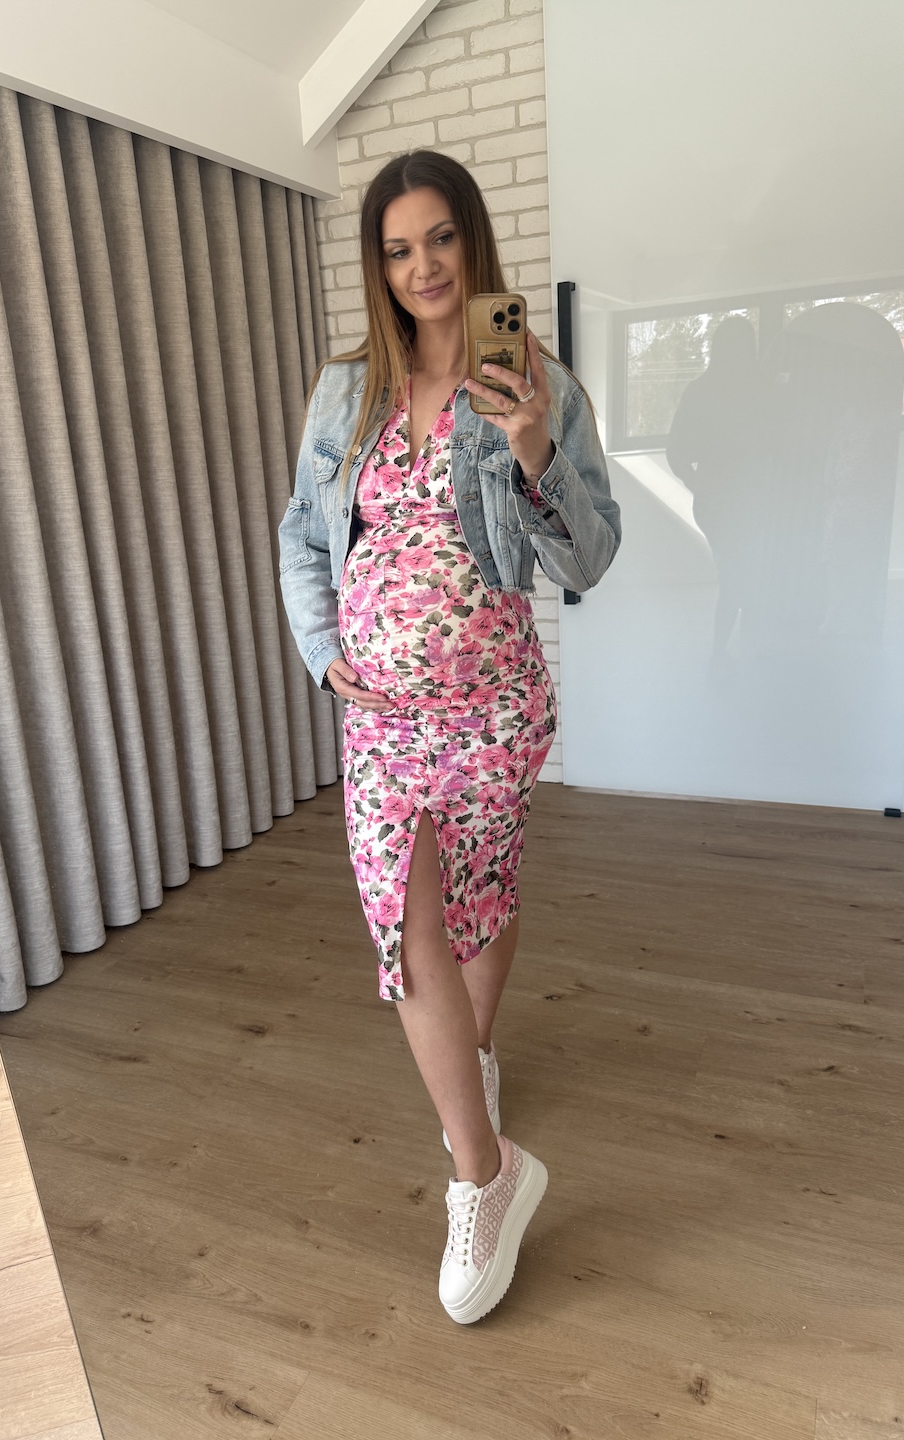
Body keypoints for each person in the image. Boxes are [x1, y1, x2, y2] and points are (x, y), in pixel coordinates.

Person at [277, 150, 620, 1324]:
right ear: (376, 265)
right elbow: (303, 539)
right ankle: (484, 1171)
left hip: (493, 709)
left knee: (481, 895)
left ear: (471, 240)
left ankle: (471, 1060)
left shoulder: (537, 383)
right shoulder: (346, 394)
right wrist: (323, 650)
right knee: (408, 924)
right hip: (379, 718)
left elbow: (588, 560)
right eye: (396, 248)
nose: (421, 266)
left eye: (438, 238)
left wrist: (533, 450)